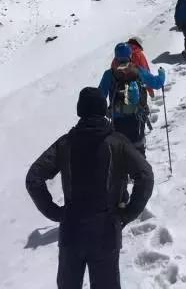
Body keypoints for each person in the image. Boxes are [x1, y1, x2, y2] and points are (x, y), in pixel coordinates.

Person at [26, 87, 154, 289]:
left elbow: (34, 178)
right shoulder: (118, 142)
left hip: (72, 231)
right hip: (106, 232)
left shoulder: (65, 143)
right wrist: (126, 214)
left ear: (80, 111)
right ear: (104, 109)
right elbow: (145, 176)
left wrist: (56, 213)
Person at [99, 43, 165, 155]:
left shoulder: (109, 74)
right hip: (136, 118)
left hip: (117, 121)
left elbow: (100, 97)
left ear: (116, 56)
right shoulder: (137, 71)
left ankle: (121, 170)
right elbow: (157, 83)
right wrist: (162, 73)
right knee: (138, 152)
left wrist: (106, 111)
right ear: (130, 55)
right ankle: (139, 168)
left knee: (119, 153)